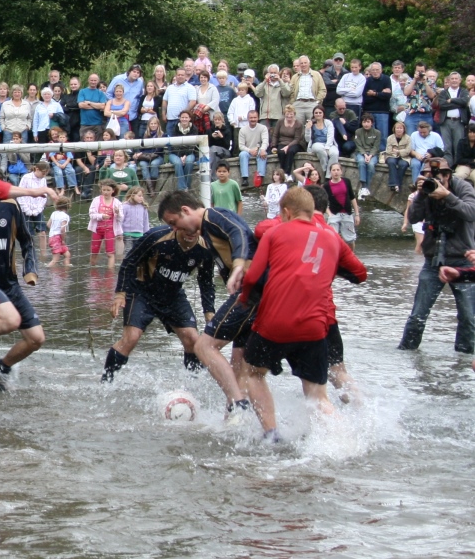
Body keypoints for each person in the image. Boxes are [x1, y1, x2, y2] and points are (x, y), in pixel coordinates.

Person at [241, 187, 367, 440]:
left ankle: (271, 434)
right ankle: (347, 440)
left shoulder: (275, 231)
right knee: (317, 394)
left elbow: (252, 277)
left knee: (253, 373)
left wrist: (244, 300)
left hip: (274, 323)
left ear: (286, 212)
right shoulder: (333, 237)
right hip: (315, 327)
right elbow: (360, 274)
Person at [103, 191, 251, 381]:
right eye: (179, 228)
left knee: (193, 339)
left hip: (173, 296)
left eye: (195, 232)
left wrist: (209, 311)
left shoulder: (205, 248)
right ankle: (107, 380)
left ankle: (193, 381)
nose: (190, 234)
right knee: (131, 338)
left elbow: (206, 281)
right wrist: (120, 294)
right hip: (142, 293)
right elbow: (129, 262)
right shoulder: (156, 236)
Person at [0, 161, 46, 385]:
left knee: (36, 339)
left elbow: (27, 241)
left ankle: (1, 368)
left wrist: (30, 270)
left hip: (8, 286)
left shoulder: (10, 206)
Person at [398, 155, 475, 355]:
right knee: (418, 314)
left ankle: (464, 360)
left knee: (468, 316)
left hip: (462, 259)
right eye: (429, 175)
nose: (434, 179)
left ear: (448, 175)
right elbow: (414, 217)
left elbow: (470, 212)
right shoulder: (426, 191)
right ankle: (406, 355)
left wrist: (447, 195)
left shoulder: (463, 188)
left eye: (439, 176)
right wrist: (422, 194)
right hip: (433, 260)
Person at [88, 181, 123, 264]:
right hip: (97, 229)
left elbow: (120, 219)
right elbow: (91, 214)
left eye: (108, 190)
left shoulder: (117, 202)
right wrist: (101, 216)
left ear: (113, 190)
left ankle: (110, 275)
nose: (106, 192)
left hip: (110, 230)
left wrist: (117, 213)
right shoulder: (96, 200)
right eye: (104, 190)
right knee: (94, 252)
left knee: (110, 253)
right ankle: (92, 272)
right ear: (101, 190)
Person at [325, 163, 360, 246]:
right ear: (330, 172)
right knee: (332, 238)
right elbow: (324, 203)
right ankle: (335, 257)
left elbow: (352, 197)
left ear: (341, 172)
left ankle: (351, 256)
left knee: (350, 240)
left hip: (347, 214)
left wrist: (357, 214)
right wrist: (329, 214)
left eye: (338, 170)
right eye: (333, 170)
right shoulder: (326, 185)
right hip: (334, 214)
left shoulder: (346, 181)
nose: (336, 172)